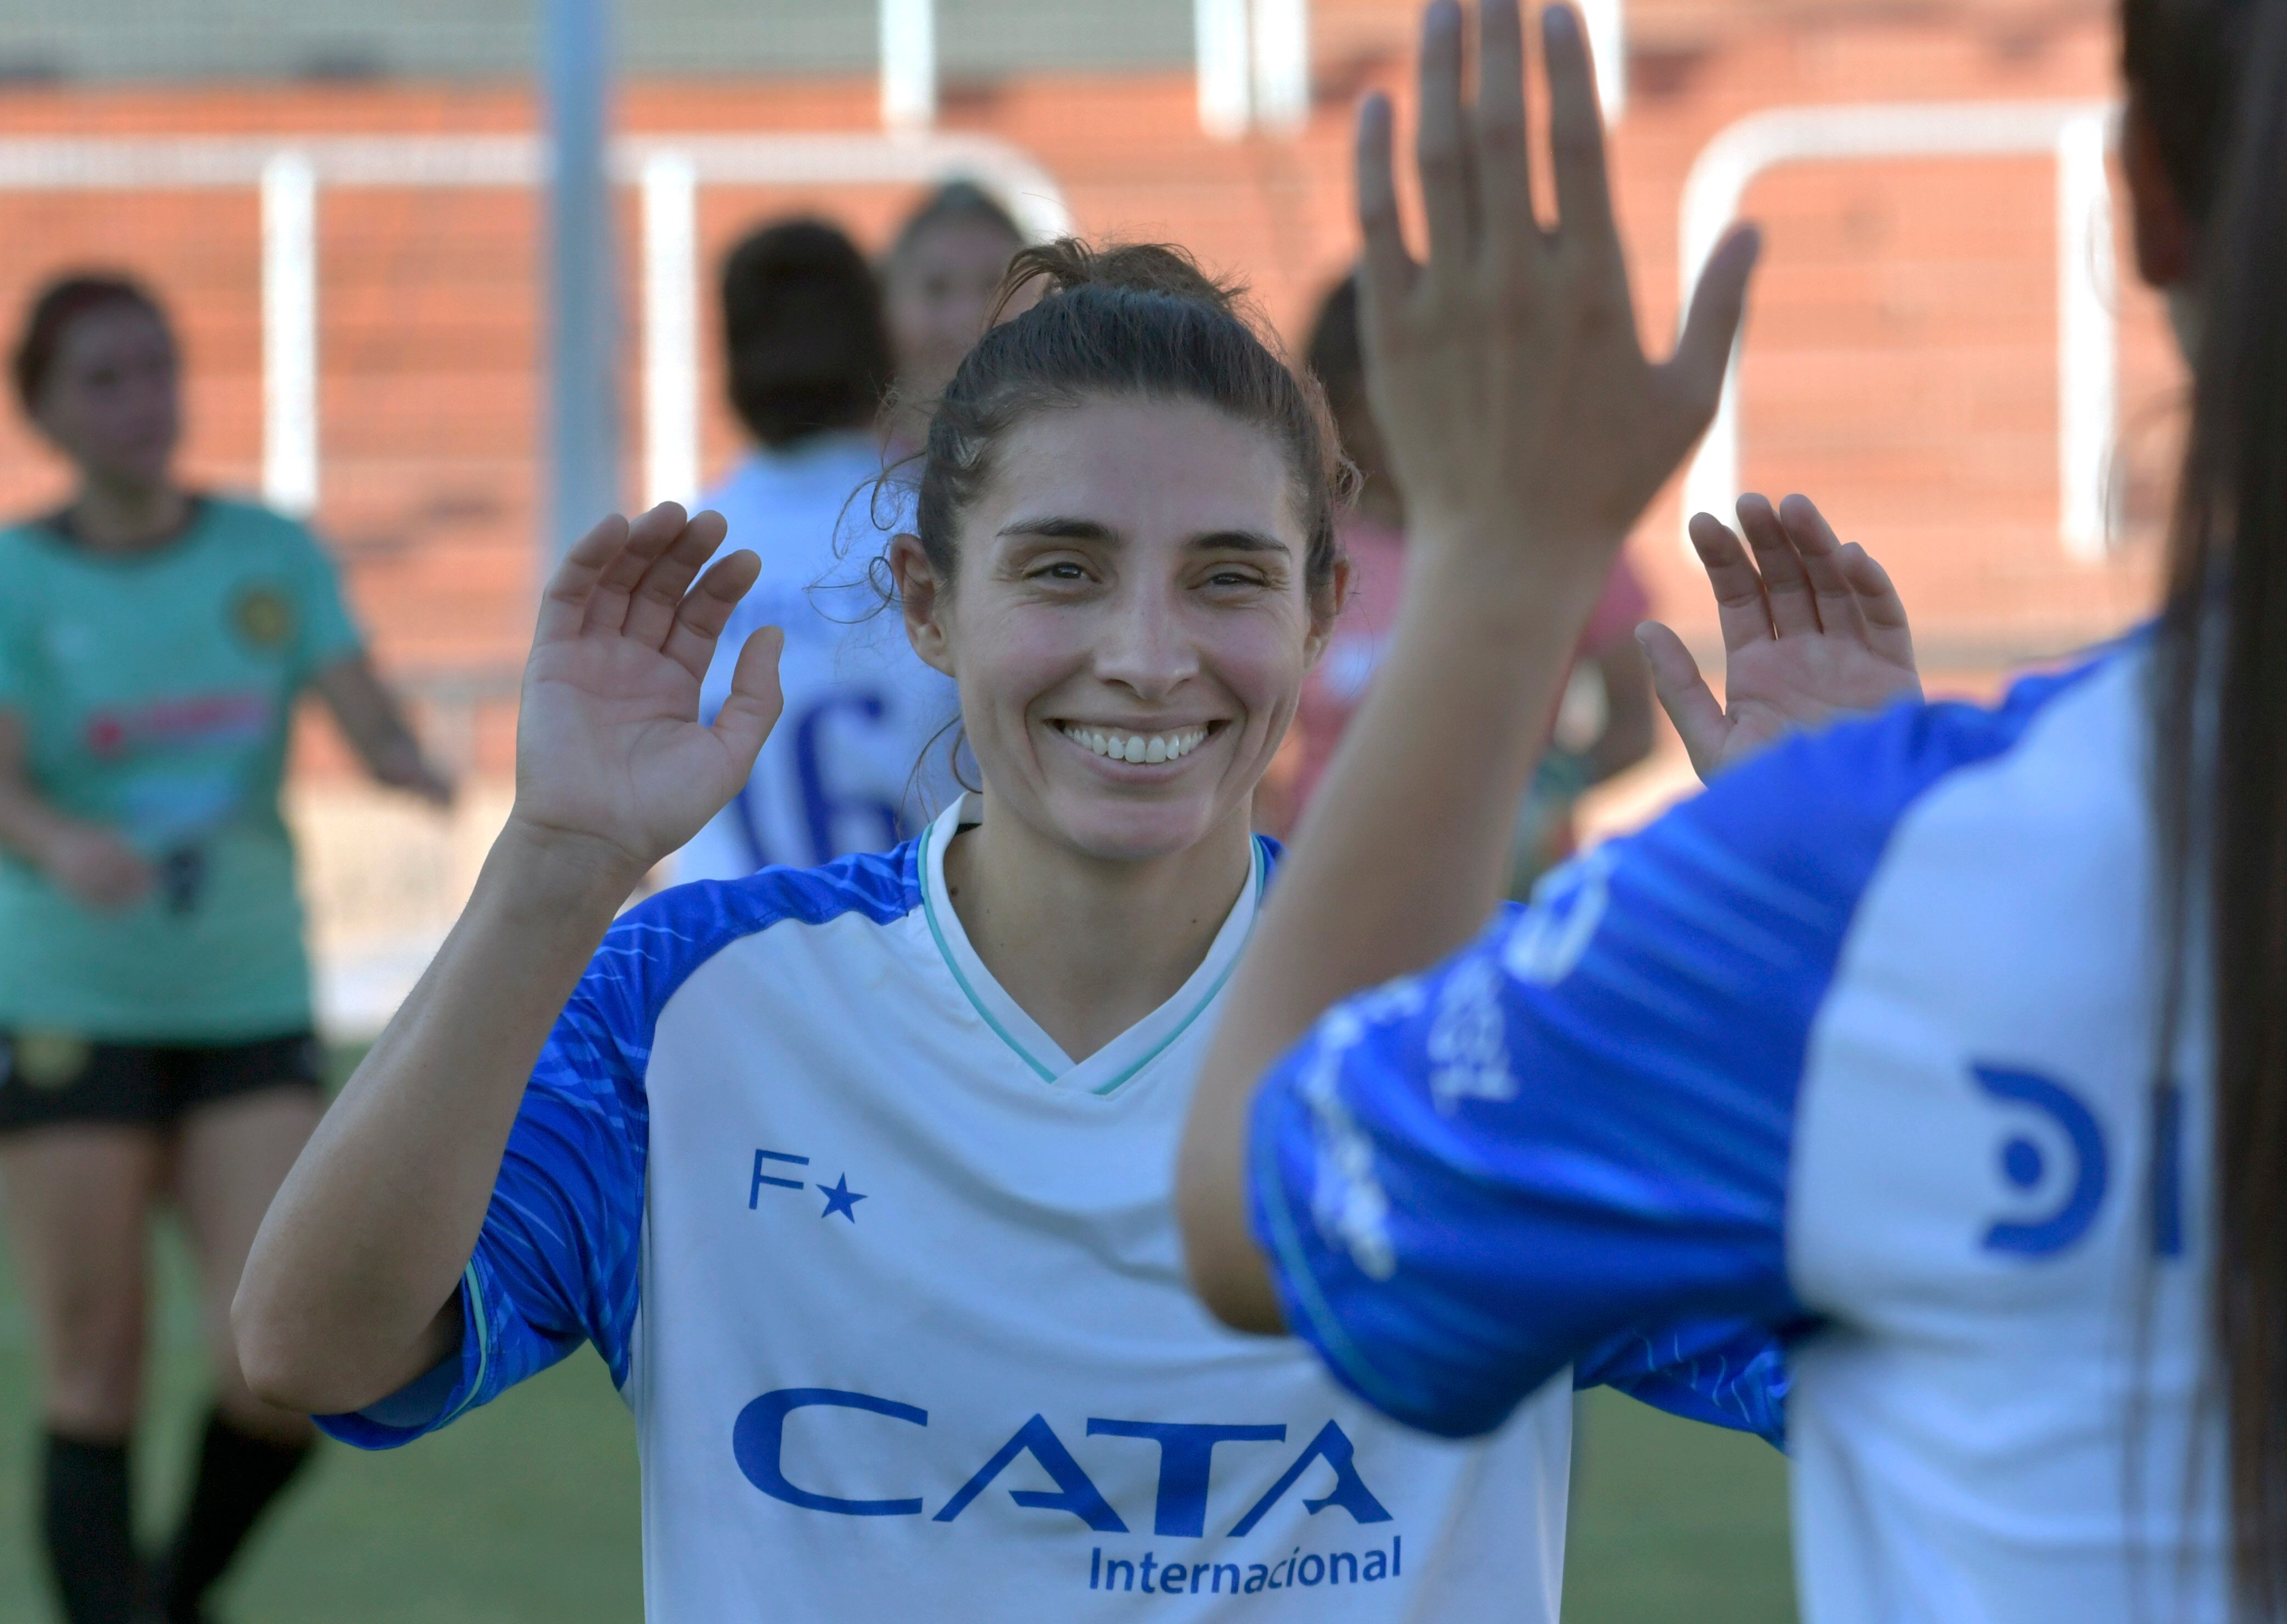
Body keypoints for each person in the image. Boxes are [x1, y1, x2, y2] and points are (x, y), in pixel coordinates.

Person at [1180, 0, 2287, 1622]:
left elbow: (1262, 1198)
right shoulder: (1872, 865)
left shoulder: (1868, 882)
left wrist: (1503, 563)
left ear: (2139, 202)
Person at [232, 235, 1905, 1618]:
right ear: (926, 603)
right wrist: (557, 854)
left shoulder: (1482, 1029)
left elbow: (1915, 1361)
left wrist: (1861, 915)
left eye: (1232, 578)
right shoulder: (694, 1004)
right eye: (1063, 570)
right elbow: (316, 1342)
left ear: (1325, 611)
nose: (1151, 653)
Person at [0, 273, 454, 1624]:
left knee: (289, 1358)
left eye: (157, 369)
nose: (141, 401)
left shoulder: (267, 554)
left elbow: (360, 700)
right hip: (66, 996)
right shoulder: (0, 577)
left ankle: (170, 1597)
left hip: (245, 997)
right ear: (43, 407)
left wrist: (409, 760)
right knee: (94, 1364)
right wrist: (56, 840)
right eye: (103, 377)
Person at [1280, 274, 1659, 887]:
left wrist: (1542, 800)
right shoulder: (1299, 537)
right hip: (1324, 891)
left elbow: (1635, 724)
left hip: (1498, 899)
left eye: (1423, 392)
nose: (1392, 422)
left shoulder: (1554, 528)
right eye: (1363, 397)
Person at [670, 218, 959, 879]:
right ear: (880, 352)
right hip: (922, 955)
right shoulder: (943, 533)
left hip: (730, 961)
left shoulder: (676, 557)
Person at [879, 180, 1027, 456]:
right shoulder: (834, 480)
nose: (967, 316)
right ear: (887, 304)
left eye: (992, 285)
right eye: (937, 288)